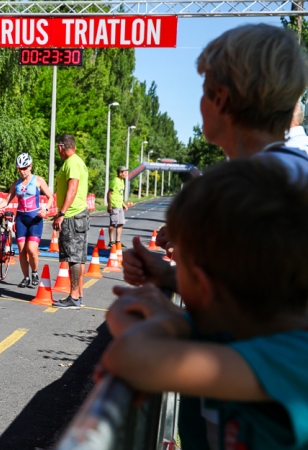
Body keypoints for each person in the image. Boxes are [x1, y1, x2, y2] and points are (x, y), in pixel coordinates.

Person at [100, 159, 308, 450]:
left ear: (204, 286)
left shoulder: (292, 360)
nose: (175, 274)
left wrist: (170, 321)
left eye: (178, 263)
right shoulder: (244, 332)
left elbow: (130, 355)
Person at [123, 23, 308, 293]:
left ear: (220, 99)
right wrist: (166, 274)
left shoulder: (234, 190)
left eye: (204, 88)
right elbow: (254, 294)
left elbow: (238, 317)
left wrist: (153, 329)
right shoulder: (296, 170)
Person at [0, 153, 54, 288]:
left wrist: (45, 209)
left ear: (30, 166)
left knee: (31, 249)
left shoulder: (38, 180)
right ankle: (26, 277)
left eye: (24, 168)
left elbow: (51, 197)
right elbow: (7, 200)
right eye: (19, 169)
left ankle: (34, 272)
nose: (22, 171)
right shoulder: (16, 183)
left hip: (35, 219)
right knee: (22, 250)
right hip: (21, 219)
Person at [51, 134, 89, 310]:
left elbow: (72, 190)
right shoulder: (78, 161)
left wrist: (61, 213)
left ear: (61, 147)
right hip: (79, 214)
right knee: (79, 258)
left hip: (72, 216)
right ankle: (78, 294)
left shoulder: (72, 163)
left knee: (73, 257)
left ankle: (74, 297)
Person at [107, 166, 129, 247]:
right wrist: (109, 205)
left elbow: (119, 194)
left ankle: (118, 241)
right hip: (114, 205)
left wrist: (124, 204)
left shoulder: (122, 181)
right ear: (120, 173)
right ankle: (111, 241)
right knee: (113, 223)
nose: (126, 174)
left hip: (119, 205)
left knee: (120, 223)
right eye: (125, 172)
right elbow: (109, 193)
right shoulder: (114, 181)